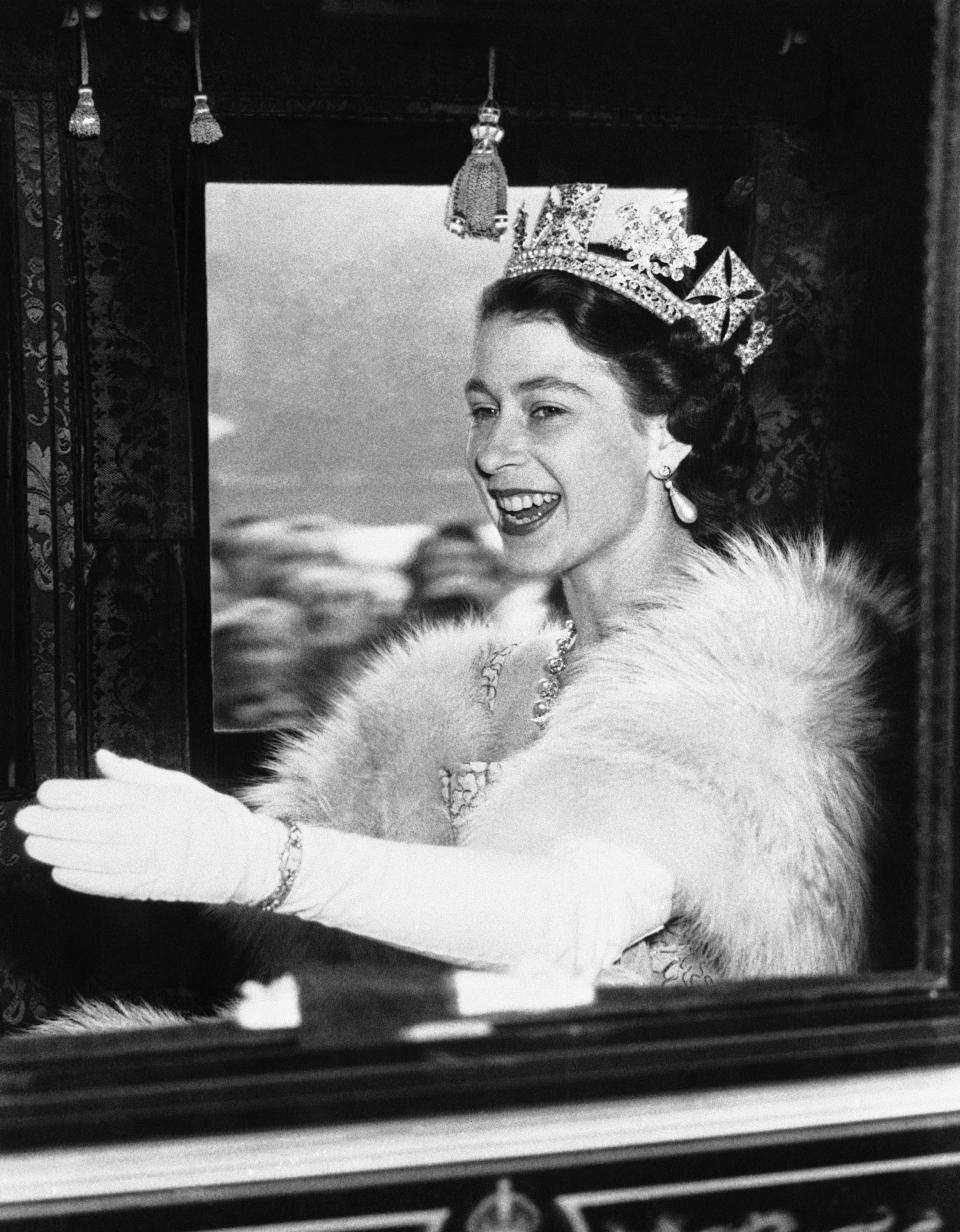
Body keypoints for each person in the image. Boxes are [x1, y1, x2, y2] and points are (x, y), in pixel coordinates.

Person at [16, 185, 908, 1011]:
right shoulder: (464, 692)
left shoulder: (770, 673)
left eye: (545, 409)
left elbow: (571, 914)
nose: (491, 451)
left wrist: (253, 860)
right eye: (484, 409)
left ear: (666, 433)